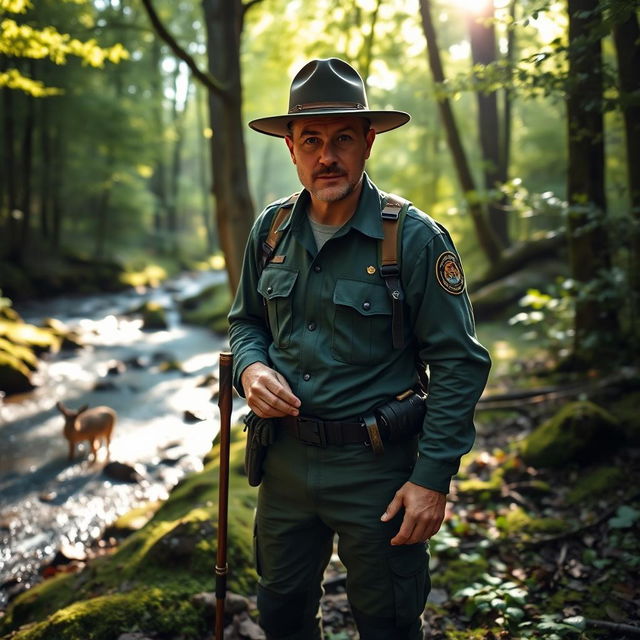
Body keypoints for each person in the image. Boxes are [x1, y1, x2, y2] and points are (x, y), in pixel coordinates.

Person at [228, 57, 491, 640]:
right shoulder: (269, 233)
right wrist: (250, 370)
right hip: (284, 466)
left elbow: (459, 364)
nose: (327, 156)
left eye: (343, 138)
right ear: (292, 149)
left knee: (388, 622)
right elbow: (245, 322)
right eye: (312, 140)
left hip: (379, 473)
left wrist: (432, 478)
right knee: (281, 613)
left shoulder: (415, 238)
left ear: (368, 142)